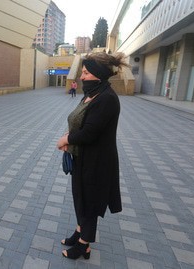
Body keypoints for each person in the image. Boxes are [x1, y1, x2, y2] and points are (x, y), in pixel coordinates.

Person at [56, 52, 128, 260]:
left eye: (86, 72)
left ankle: (83, 245)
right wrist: (70, 138)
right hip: (83, 157)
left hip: (97, 161)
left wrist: (66, 139)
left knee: (89, 202)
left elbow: (89, 132)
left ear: (97, 74)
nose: (82, 76)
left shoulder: (107, 99)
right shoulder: (91, 94)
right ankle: (80, 232)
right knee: (80, 197)